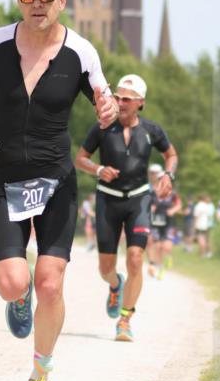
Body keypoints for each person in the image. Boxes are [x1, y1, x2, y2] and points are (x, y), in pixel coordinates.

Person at [0, 0, 117, 381]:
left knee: (50, 283)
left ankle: (40, 374)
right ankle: (18, 298)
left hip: (57, 181)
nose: (38, 3)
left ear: (62, 0)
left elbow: (102, 97)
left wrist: (105, 110)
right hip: (5, 175)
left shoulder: (80, 52)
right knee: (13, 283)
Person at [75, 74, 177, 340]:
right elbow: (80, 158)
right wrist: (98, 169)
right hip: (107, 198)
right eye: (118, 97)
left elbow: (171, 154)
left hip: (139, 199)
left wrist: (168, 175)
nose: (120, 102)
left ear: (140, 102)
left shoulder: (152, 130)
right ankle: (115, 285)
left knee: (135, 259)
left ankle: (125, 319)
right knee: (105, 268)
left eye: (127, 99)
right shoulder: (102, 127)